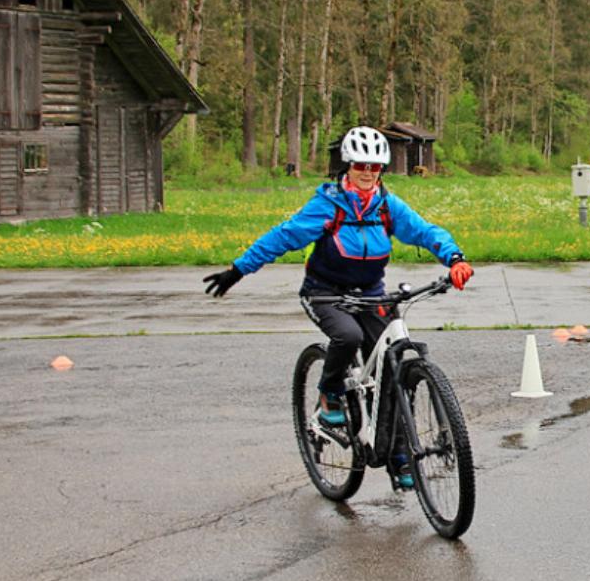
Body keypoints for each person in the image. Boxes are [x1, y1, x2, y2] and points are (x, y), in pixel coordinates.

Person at [202, 126, 472, 488]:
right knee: (347, 336)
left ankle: (398, 457)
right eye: (361, 164)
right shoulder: (329, 205)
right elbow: (283, 237)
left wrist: (454, 258)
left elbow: (424, 231)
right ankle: (330, 400)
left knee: (392, 367)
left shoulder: (387, 206)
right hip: (325, 292)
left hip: (370, 293)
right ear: (347, 165)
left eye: (375, 167)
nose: (367, 172)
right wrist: (238, 270)